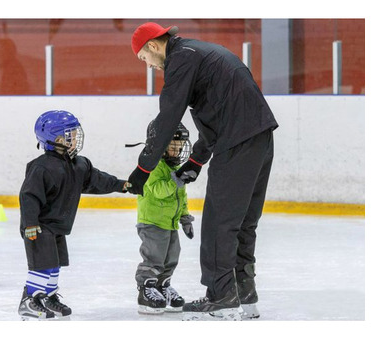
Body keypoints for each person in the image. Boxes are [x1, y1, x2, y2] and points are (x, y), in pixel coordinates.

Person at [127, 22, 278, 320]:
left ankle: (221, 296)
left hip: (237, 142)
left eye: (144, 57)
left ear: (154, 45)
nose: (148, 65)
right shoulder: (201, 53)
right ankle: (244, 294)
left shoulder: (181, 60)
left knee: (219, 223)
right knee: (244, 221)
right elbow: (217, 112)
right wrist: (196, 162)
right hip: (260, 138)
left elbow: (169, 115)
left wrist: (143, 168)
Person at [18, 110, 130, 320]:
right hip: (40, 227)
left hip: (58, 226)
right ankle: (29, 300)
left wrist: (120, 185)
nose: (76, 137)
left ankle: (48, 297)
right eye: (71, 134)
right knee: (42, 264)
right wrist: (30, 223)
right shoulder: (42, 167)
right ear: (57, 139)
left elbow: (97, 180)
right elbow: (29, 196)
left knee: (55, 263)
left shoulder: (78, 164)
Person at [129, 120, 195, 315]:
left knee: (171, 257)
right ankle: (146, 290)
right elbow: (158, 191)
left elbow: (180, 195)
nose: (177, 150)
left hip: (170, 223)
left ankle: (162, 286)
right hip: (152, 222)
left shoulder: (173, 167)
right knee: (154, 258)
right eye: (172, 146)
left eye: (180, 146)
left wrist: (184, 217)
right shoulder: (151, 165)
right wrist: (177, 180)